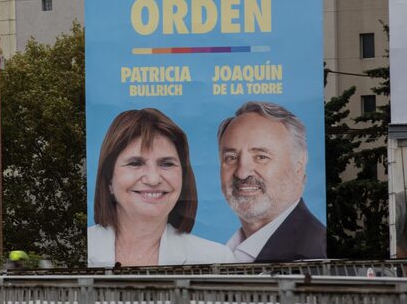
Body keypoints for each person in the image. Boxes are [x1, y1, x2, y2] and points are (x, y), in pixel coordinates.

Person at [88, 108, 235, 267]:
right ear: (109, 179)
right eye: (135, 163)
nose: (153, 179)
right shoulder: (78, 250)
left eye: (166, 164)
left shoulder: (216, 258)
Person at [217, 101, 326, 263]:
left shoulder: (313, 258)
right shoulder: (221, 252)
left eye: (261, 157)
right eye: (231, 158)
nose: (242, 172)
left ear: (299, 166)